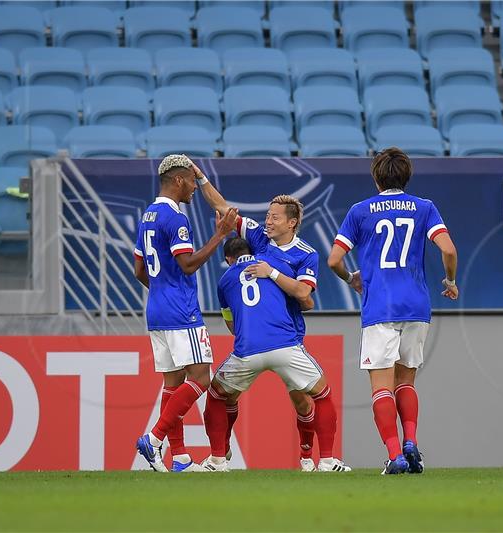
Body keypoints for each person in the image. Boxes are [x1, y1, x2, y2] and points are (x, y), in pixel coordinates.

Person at [191, 160, 348, 472]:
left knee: (301, 401)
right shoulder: (261, 239)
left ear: (291, 223)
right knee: (319, 394)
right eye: (267, 216)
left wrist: (272, 272)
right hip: (283, 341)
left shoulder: (306, 254)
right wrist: (201, 178)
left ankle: (304, 459)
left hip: (278, 336)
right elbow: (223, 208)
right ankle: (326, 461)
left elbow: (305, 295)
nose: (267, 222)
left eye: (274, 218)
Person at [327, 147, 459, 474]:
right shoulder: (424, 208)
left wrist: (351, 278)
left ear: (375, 177)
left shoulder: (360, 211)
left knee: (381, 387)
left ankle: (395, 455)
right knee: (407, 382)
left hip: (379, 306)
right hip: (416, 305)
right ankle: (412, 441)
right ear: (407, 176)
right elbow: (449, 249)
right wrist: (450, 280)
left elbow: (333, 259)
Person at [202, 237, 350, 472]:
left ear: (229, 260)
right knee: (321, 395)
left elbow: (231, 326)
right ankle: (328, 461)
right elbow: (306, 300)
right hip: (286, 346)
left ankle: (218, 460)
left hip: (247, 350)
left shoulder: (225, 280)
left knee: (217, 396)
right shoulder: (275, 266)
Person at [133, 154, 237, 472]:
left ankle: (179, 458)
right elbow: (188, 264)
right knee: (201, 377)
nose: (194, 188)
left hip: (157, 310)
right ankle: (154, 439)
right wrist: (220, 235)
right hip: (181, 311)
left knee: (173, 383)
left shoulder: (148, 215)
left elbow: (139, 269)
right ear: (179, 180)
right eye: (192, 181)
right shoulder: (175, 217)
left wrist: (162, 290)